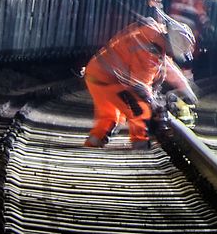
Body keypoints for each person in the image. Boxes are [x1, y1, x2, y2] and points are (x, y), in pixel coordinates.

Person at [82, 15, 197, 148]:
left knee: (110, 116)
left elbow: (167, 66)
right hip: (109, 79)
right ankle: (140, 145)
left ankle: (92, 144)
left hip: (98, 73)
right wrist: (154, 104)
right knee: (141, 110)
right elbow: (140, 85)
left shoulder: (154, 37)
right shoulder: (148, 51)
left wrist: (184, 87)